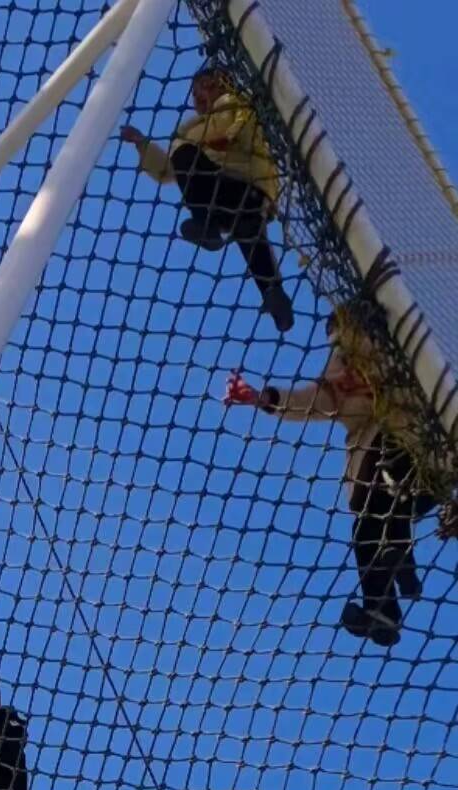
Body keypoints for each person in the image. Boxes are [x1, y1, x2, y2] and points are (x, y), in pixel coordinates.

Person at [225, 303, 436, 646]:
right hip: (376, 470)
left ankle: (401, 554)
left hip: (417, 456)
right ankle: (383, 609)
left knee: (392, 469)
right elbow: (310, 401)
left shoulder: (404, 356)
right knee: (365, 529)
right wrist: (262, 398)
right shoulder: (341, 375)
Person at [120, 65, 293, 333]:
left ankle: (208, 226)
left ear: (221, 84)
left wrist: (225, 135)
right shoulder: (192, 132)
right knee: (246, 228)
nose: (199, 96)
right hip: (228, 198)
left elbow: (235, 126)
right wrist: (142, 144)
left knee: (245, 222)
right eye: (195, 92)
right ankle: (274, 294)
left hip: (244, 186)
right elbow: (167, 171)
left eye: (205, 86)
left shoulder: (234, 104)